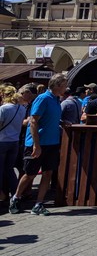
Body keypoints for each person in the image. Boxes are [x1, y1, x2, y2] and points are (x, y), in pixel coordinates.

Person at [9, 73, 68, 215]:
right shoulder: (43, 98)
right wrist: (36, 145)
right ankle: (16, 198)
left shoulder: (56, 100)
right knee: (30, 174)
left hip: (52, 143)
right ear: (58, 85)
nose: (66, 88)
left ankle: (38, 204)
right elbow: (34, 121)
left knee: (47, 173)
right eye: (65, 85)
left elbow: (49, 117)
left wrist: (62, 122)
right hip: (37, 143)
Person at [1, 86, 27, 205]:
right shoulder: (21, 108)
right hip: (15, 141)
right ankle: (16, 195)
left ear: (5, 95)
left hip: (2, 141)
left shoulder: (3, 108)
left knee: (1, 169)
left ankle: (2, 195)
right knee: (10, 170)